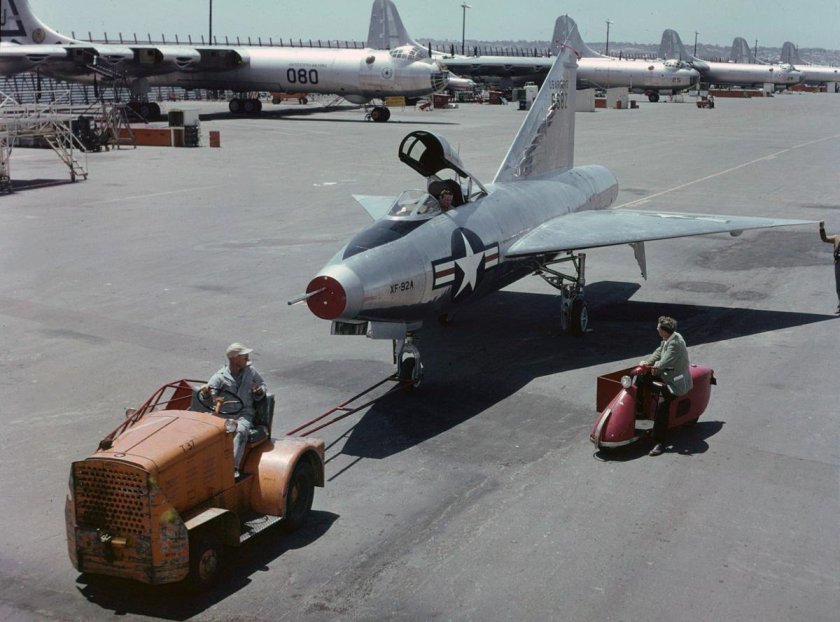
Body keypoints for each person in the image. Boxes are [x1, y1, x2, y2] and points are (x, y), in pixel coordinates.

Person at [201, 343, 266, 477]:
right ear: (234, 359)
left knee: (241, 431)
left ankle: (232, 468)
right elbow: (207, 399)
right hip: (224, 415)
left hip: (244, 414)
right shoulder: (219, 377)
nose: (247, 357)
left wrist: (259, 391)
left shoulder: (251, 371)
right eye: (244, 356)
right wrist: (206, 393)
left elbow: (263, 385)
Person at [639, 316, 693, 456]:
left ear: (664, 331)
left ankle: (659, 442)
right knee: (640, 377)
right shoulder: (669, 338)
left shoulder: (675, 343)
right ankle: (640, 409)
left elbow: (663, 362)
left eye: (658, 327)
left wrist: (652, 366)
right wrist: (646, 363)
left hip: (675, 382)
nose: (656, 328)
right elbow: (659, 351)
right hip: (667, 374)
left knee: (663, 406)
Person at [818, 221, 840, 313]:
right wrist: (822, 228)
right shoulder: (837, 237)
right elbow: (825, 239)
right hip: (838, 262)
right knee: (839, 286)